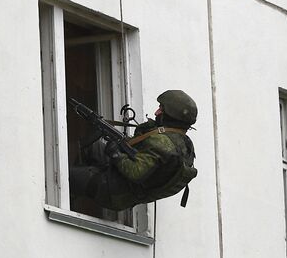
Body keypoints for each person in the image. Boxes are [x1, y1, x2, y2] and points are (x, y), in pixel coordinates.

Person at [70, 90, 199, 211]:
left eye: (161, 109)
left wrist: (115, 154)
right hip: (121, 184)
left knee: (64, 176)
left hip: (114, 190)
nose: (156, 112)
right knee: (94, 147)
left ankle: (71, 195)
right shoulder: (182, 143)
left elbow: (136, 172)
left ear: (172, 116)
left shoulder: (163, 142)